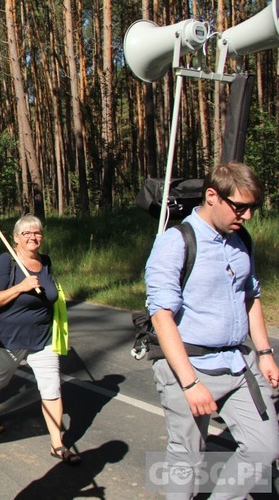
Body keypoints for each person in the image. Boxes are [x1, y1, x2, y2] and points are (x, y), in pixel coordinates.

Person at [145, 162, 279, 498]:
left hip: (237, 363)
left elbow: (250, 297)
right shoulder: (176, 242)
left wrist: (264, 354)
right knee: (186, 456)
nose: (247, 216)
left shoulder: (240, 239)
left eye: (252, 209)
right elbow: (162, 318)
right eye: (240, 207)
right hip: (188, 364)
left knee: (265, 446)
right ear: (211, 196)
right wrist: (190, 383)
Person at [0, 215, 80, 463]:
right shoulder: (7, 262)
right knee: (0, 379)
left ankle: (57, 444)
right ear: (15, 238)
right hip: (10, 338)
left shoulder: (45, 261)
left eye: (37, 233)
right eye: (27, 233)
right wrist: (20, 288)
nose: (33, 237)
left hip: (43, 338)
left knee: (52, 388)